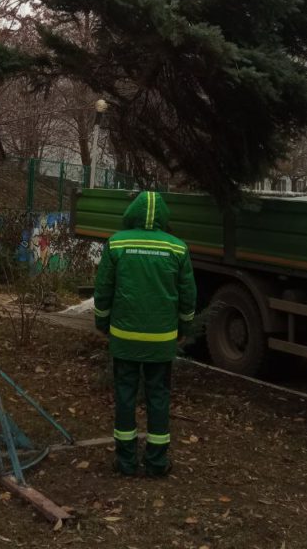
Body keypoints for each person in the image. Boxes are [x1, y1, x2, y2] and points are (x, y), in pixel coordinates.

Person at [94, 190, 197, 477]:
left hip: (125, 336)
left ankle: (125, 461)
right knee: (158, 396)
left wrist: (102, 324)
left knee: (125, 396)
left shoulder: (117, 243)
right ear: (163, 216)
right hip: (162, 339)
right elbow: (188, 295)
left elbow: (103, 290)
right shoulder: (178, 248)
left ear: (132, 213)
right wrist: (184, 329)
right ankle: (156, 462)